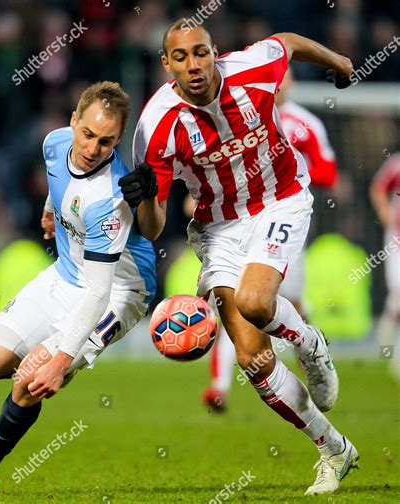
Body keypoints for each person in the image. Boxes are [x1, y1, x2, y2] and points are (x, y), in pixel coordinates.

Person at [119, 20, 357, 495]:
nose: (194, 65)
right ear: (167, 65)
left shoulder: (253, 67)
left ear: (215, 53)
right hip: (218, 225)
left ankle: (310, 344)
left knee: (254, 302)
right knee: (252, 357)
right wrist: (145, 200)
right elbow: (152, 227)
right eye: (181, 57)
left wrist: (340, 63)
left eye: (201, 53)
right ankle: (334, 449)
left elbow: (288, 42)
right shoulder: (156, 126)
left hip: (280, 198)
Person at [0, 81, 156, 495]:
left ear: (120, 138)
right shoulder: (55, 144)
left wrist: (59, 361)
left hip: (118, 291)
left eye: (107, 141)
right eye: (88, 134)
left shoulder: (109, 199)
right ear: (73, 122)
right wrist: (49, 211)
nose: (93, 148)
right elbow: (60, 184)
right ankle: (42, 373)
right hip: (65, 271)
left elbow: (97, 295)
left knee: (32, 379)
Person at [203, 67, 340, 411]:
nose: (282, 83)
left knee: (288, 305)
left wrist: (289, 161)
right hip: (241, 225)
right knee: (233, 305)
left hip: (283, 224)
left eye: (288, 77)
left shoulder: (304, 123)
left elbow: (328, 170)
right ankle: (218, 387)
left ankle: (312, 357)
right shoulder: (239, 119)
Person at [370, 152, 400, 380]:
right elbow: (378, 187)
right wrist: (384, 211)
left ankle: (388, 343)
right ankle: (387, 346)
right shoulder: (396, 164)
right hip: (397, 238)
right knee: (398, 292)